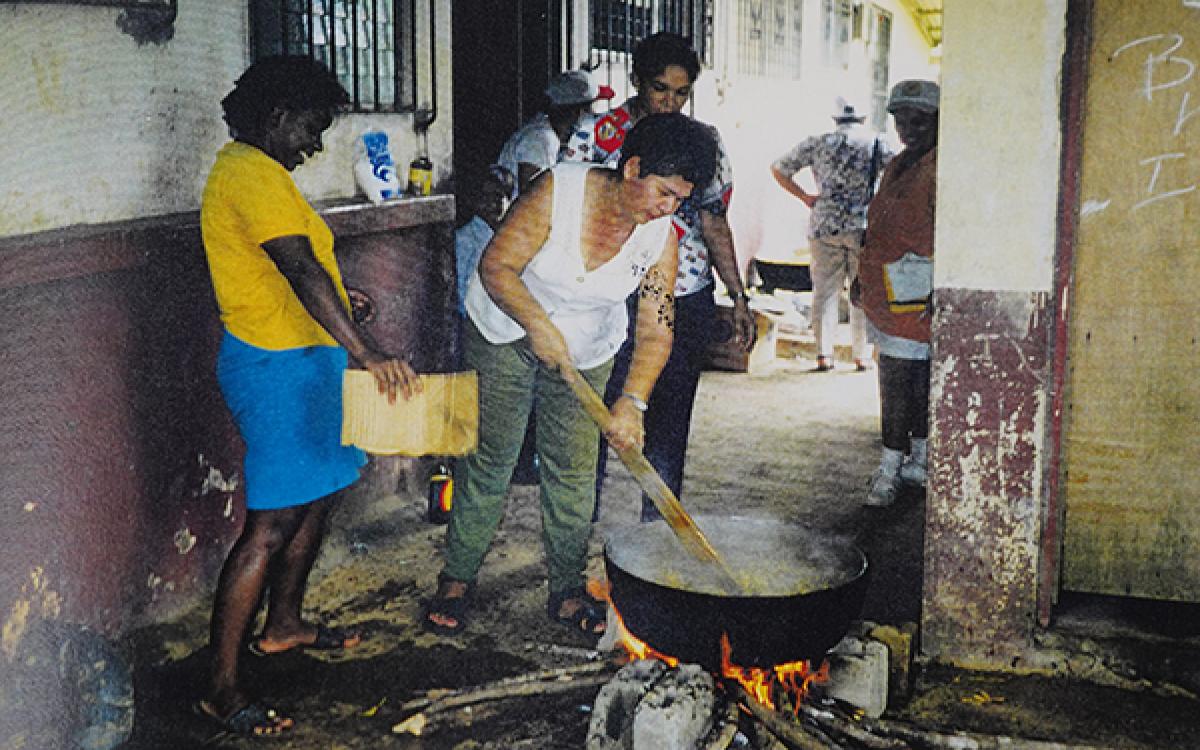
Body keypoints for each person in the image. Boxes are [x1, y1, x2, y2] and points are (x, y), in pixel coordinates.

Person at [423, 113, 718, 638]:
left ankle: (566, 587)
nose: (668, 208)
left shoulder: (661, 240)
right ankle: (457, 580)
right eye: (664, 192)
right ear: (632, 168)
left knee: (574, 469)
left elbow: (656, 329)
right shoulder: (557, 190)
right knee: (491, 458)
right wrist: (536, 323)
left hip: (587, 347)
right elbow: (496, 267)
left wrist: (633, 401)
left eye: (679, 199)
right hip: (504, 328)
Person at [198, 56, 421, 737]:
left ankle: (285, 624)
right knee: (268, 527)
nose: (316, 145)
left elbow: (301, 265)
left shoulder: (267, 176)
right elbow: (296, 266)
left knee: (320, 495)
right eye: (311, 129)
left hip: (310, 359)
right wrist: (366, 351)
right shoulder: (245, 173)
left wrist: (343, 305)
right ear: (275, 117)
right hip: (273, 367)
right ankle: (221, 687)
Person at [563, 31, 755, 521]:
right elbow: (566, 210)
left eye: (681, 92)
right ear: (635, 80)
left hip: (683, 295)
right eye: (659, 89)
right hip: (609, 297)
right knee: (596, 424)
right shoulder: (597, 134)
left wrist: (737, 296)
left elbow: (713, 220)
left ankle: (657, 541)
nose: (670, 102)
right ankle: (577, 543)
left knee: (668, 423)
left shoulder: (703, 143)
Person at [852, 79, 940, 507]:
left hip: (915, 294)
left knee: (899, 383)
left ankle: (890, 470)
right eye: (901, 119)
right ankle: (919, 461)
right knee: (914, 379)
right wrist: (861, 273)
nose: (908, 128)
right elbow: (882, 224)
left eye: (919, 120)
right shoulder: (900, 162)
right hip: (888, 289)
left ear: (940, 121)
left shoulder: (940, 165)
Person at [770, 97, 893, 372]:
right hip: (863, 225)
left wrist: (804, 197)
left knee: (824, 291)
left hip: (824, 224)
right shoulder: (876, 142)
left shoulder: (817, 142)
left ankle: (824, 355)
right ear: (863, 117)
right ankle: (862, 356)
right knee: (863, 290)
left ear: (835, 118)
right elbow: (899, 171)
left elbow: (779, 168)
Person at [495, 69, 615, 196]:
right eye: (590, 108)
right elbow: (532, 196)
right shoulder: (539, 140)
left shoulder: (548, 132)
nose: (593, 114)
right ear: (578, 111)